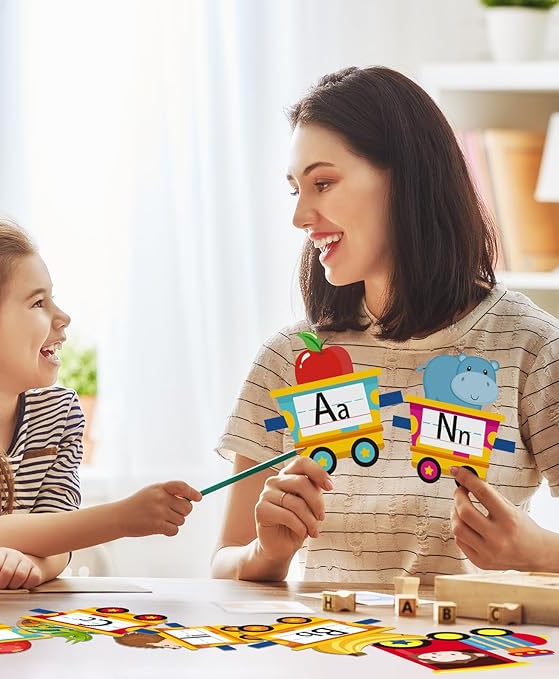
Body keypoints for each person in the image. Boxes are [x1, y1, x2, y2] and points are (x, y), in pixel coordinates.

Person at [211, 66, 559, 584]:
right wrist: (265, 555)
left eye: (323, 183)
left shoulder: (529, 346)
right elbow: (223, 564)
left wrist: (540, 553)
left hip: (467, 661)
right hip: (325, 660)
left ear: (407, 179)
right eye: (296, 190)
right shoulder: (289, 357)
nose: (301, 216)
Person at [0, 219, 201, 589]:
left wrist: (32, 564)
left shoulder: (59, 413)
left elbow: (59, 536)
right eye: (38, 303)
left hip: (4, 619)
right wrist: (123, 518)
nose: (63, 318)